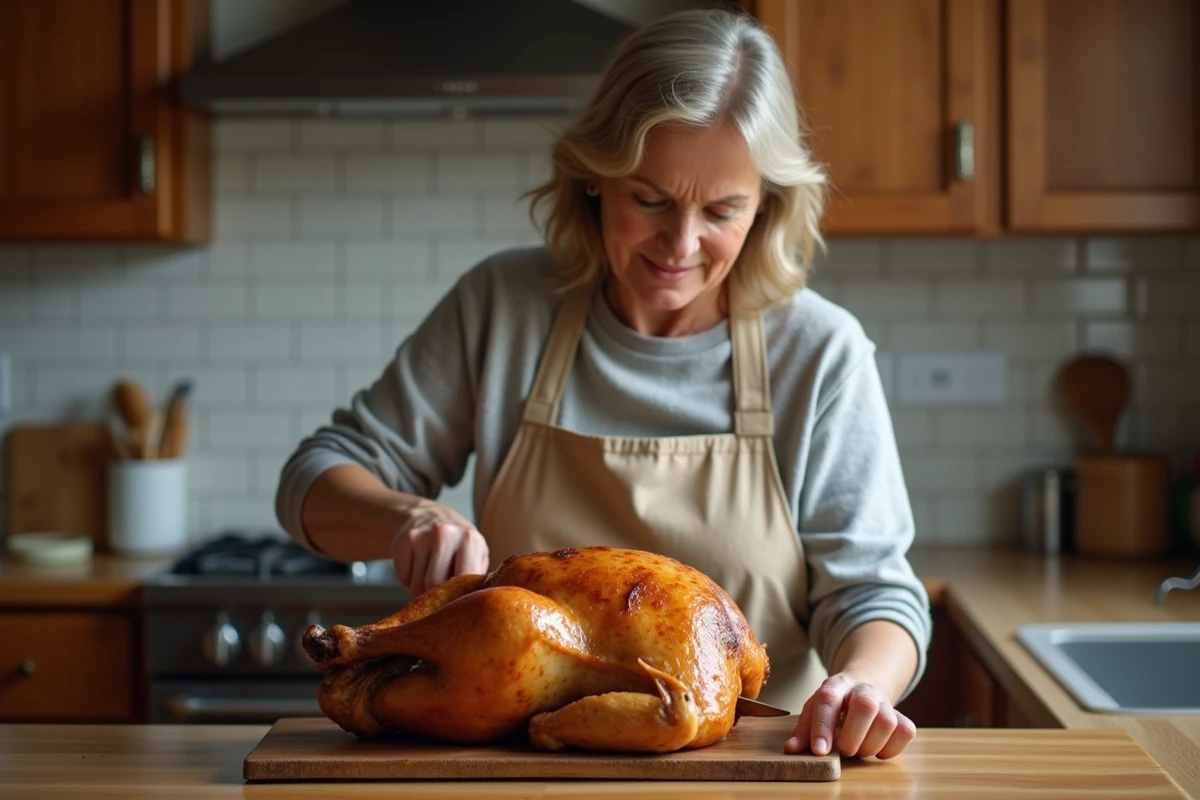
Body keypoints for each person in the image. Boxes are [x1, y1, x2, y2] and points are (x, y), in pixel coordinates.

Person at [276, 7, 930, 760]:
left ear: (768, 206)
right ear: (594, 178)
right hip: (522, 774)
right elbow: (311, 482)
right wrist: (404, 519)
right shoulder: (504, 309)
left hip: (754, 772)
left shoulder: (819, 352)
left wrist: (864, 684)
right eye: (649, 199)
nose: (680, 246)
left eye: (721, 211)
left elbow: (873, 593)